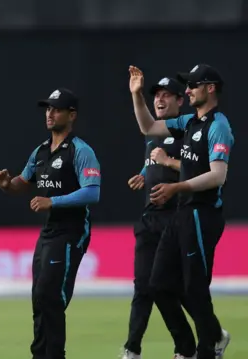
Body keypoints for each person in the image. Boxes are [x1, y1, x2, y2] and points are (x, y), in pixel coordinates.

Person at [128, 64, 233, 359]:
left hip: (202, 214)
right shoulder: (189, 122)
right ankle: (191, 346)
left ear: (210, 88)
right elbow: (148, 127)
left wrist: (178, 187)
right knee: (157, 284)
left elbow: (218, 176)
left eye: (193, 86)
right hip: (182, 214)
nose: (187, 90)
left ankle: (205, 350)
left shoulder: (218, 125)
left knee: (194, 288)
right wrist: (137, 95)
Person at [0, 88, 101, 359]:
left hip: (71, 232)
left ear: (71, 115)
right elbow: (23, 182)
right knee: (40, 299)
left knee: (50, 297)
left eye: (56, 109)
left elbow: (92, 192)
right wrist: (8, 184)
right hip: (49, 233)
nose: (50, 114)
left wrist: (54, 202)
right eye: (47, 109)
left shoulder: (80, 150)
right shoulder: (41, 151)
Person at [123, 77, 198, 359]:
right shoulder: (154, 134)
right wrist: (145, 175)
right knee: (143, 286)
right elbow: (153, 160)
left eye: (167, 95)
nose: (160, 100)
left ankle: (199, 340)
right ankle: (132, 349)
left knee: (171, 288)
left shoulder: (190, 130)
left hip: (177, 217)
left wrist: (167, 162)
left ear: (181, 100)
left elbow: (202, 172)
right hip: (149, 218)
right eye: (157, 95)